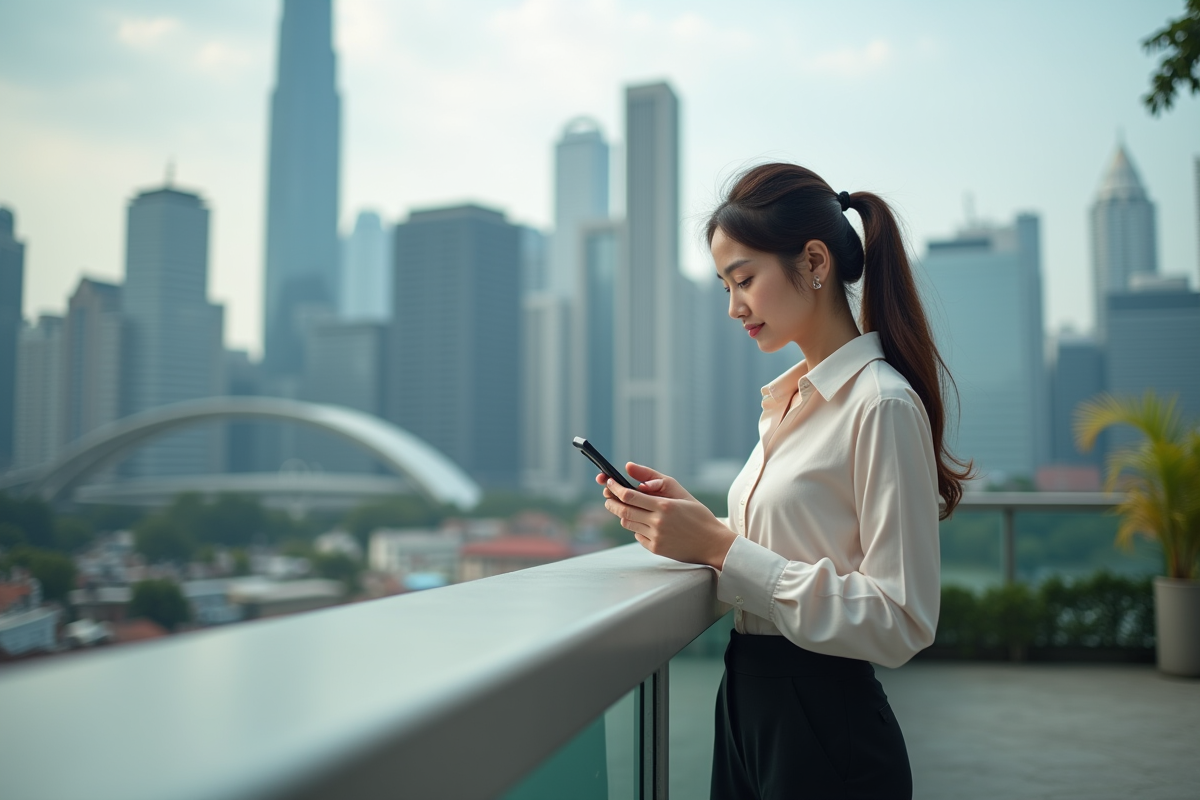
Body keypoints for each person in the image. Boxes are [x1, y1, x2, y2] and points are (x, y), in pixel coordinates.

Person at [597, 162, 971, 800]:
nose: (733, 306)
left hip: (826, 725)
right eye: (724, 285)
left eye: (744, 280)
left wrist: (720, 548)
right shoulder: (791, 402)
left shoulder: (879, 405)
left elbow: (902, 617)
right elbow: (792, 546)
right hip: (747, 700)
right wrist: (703, 527)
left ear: (815, 261)